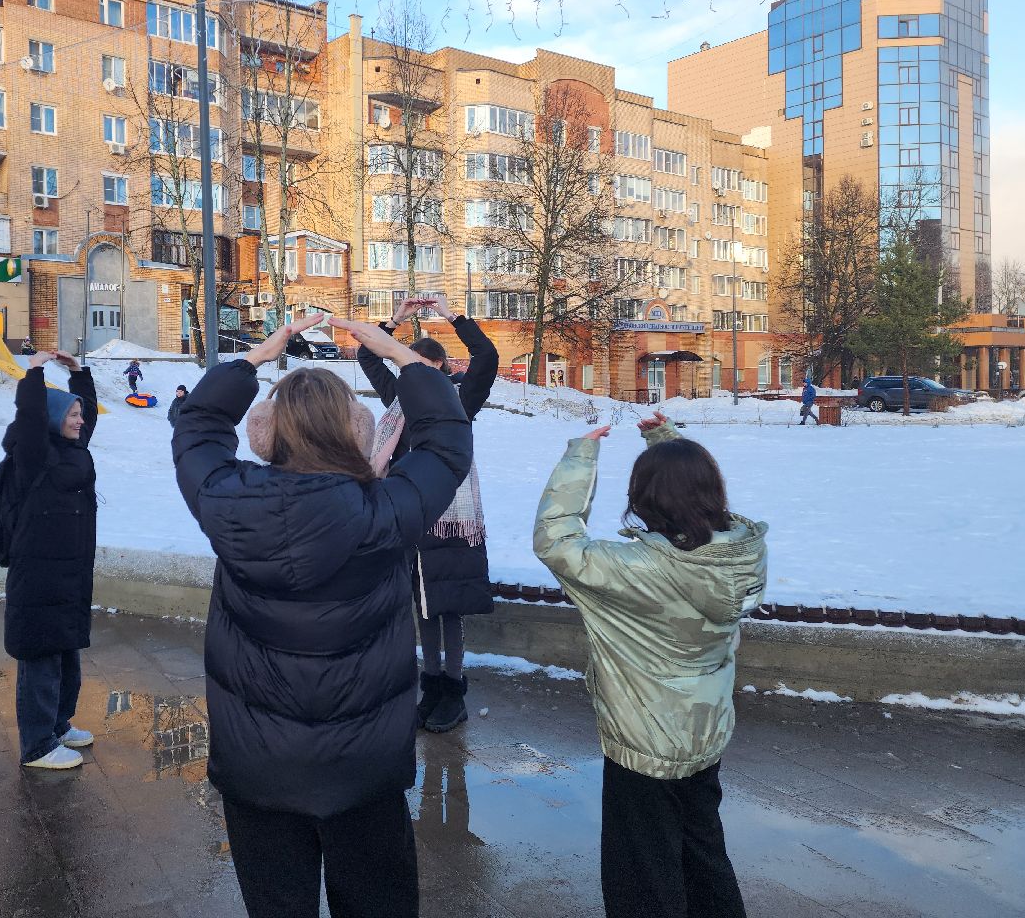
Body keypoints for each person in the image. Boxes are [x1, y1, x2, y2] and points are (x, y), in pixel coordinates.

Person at [172, 314, 471, 918]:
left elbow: (197, 427)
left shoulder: (226, 503)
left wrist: (254, 359)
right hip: (363, 772)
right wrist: (396, 352)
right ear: (358, 432)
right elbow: (445, 440)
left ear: (263, 434)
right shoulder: (388, 512)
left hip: (256, 772)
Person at [533, 410, 767, 918]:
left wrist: (581, 454)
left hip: (643, 744)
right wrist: (667, 442)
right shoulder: (740, 555)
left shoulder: (634, 570)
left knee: (642, 871)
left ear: (643, 500)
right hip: (705, 733)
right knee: (703, 851)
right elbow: (692, 491)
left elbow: (557, 542)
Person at [358, 295, 499, 733]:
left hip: (450, 517)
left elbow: (487, 355)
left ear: (437, 370)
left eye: (420, 368)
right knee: (421, 606)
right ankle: (431, 687)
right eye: (407, 367)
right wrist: (396, 320)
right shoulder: (400, 402)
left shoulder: (459, 402)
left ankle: (453, 692)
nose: (412, 376)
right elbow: (368, 353)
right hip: (410, 515)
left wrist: (451, 315)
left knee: (448, 605)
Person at [0, 349, 99, 769]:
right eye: (71, 415)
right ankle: (37, 745)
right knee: (41, 656)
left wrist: (79, 375)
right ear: (52, 420)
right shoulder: (33, 456)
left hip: (70, 572)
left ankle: (58, 724)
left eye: (79, 415)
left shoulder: (72, 450)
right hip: (39, 572)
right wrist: (34, 373)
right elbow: (32, 416)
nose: (79, 421)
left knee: (66, 652)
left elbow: (88, 417)